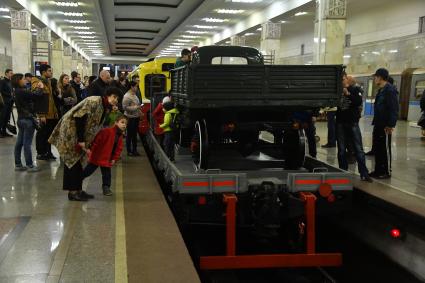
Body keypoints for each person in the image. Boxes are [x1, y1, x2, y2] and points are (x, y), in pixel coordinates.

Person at [48, 87, 120, 201]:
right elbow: (79, 118)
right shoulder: (94, 101)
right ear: (107, 95)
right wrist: (81, 140)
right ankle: (72, 193)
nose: (116, 100)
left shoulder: (105, 106)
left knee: (79, 162)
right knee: (72, 162)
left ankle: (78, 190)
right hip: (71, 131)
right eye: (114, 97)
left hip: (78, 134)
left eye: (117, 98)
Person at [336, 74, 372, 182]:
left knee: (358, 149)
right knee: (341, 149)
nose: (341, 81)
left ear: (348, 80)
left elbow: (358, 102)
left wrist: (348, 94)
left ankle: (364, 173)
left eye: (343, 79)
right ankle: (343, 172)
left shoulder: (355, 89)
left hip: (352, 123)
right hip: (340, 123)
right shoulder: (338, 91)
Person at [82, 115, 127, 196]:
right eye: (122, 122)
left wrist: (114, 159)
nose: (124, 125)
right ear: (116, 123)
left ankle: (106, 188)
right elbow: (96, 142)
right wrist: (90, 152)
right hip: (97, 156)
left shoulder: (120, 135)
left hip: (107, 158)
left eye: (125, 123)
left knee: (107, 174)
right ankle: (76, 183)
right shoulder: (107, 131)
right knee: (87, 171)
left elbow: (118, 149)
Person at [369, 68, 399, 179]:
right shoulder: (381, 90)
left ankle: (384, 171)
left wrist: (390, 125)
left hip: (384, 124)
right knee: (377, 147)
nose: (374, 78)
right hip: (378, 123)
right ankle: (378, 170)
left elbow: (394, 109)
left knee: (382, 148)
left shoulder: (389, 90)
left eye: (375, 77)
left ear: (380, 77)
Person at [12, 73, 44, 172]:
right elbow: (36, 95)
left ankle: (18, 164)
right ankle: (30, 165)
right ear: (18, 81)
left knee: (19, 143)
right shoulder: (21, 91)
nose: (25, 81)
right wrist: (41, 88)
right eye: (23, 79)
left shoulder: (16, 91)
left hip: (21, 119)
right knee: (27, 143)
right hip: (28, 120)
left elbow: (29, 94)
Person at [32, 64, 59, 160]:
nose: (51, 73)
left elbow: (51, 99)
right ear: (43, 72)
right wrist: (41, 114)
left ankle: (48, 152)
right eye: (49, 71)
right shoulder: (36, 81)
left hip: (51, 113)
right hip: (44, 114)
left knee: (49, 135)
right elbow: (38, 98)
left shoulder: (49, 81)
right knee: (42, 134)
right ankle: (40, 153)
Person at [122, 81, 142, 156]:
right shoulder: (127, 96)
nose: (137, 88)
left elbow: (137, 104)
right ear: (132, 87)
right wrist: (136, 107)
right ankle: (129, 151)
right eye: (136, 86)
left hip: (135, 117)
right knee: (129, 135)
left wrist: (139, 111)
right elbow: (125, 107)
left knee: (134, 135)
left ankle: (134, 150)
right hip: (130, 118)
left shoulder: (134, 95)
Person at [0, 69, 14, 137]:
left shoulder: (10, 82)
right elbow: (1, 91)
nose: (12, 74)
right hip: (4, 102)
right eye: (11, 73)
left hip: (10, 102)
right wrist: (10, 94)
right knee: (2, 117)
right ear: (6, 73)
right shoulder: (2, 81)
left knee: (7, 118)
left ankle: (4, 131)